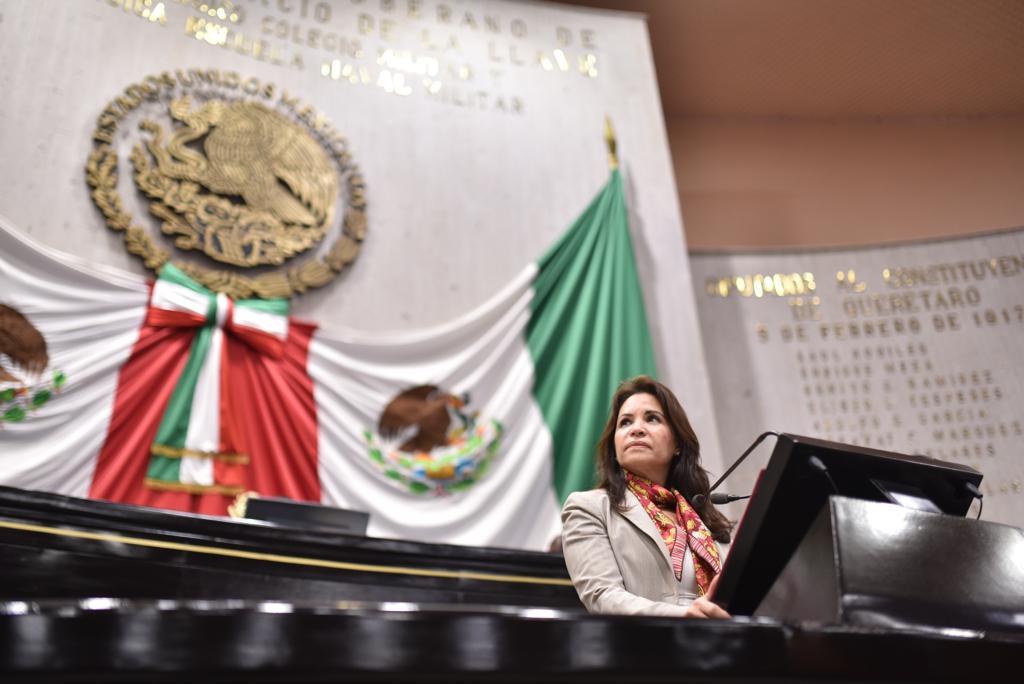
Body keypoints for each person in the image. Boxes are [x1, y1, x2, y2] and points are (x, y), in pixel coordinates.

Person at [561, 375, 733, 618]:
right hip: (647, 641)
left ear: (677, 444)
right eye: (625, 422)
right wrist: (683, 617)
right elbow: (602, 596)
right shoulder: (589, 507)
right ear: (614, 447)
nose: (637, 429)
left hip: (720, 638)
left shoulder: (706, 519)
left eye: (652, 418)